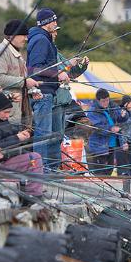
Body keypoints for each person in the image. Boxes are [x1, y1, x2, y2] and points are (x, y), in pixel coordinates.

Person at [0, 93, 44, 199]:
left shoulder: (1, 120)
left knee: (33, 157)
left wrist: (23, 133)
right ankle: (34, 196)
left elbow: (9, 133)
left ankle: (30, 193)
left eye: (9, 112)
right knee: (34, 158)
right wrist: (17, 138)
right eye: (5, 112)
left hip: (4, 162)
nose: (7, 115)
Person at [27, 8, 70, 165]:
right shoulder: (41, 40)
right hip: (43, 93)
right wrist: (57, 74)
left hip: (47, 92)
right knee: (43, 134)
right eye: (54, 21)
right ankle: (40, 170)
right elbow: (35, 68)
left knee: (47, 134)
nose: (56, 24)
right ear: (47, 23)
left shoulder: (43, 39)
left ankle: (47, 169)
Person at [49, 27, 89, 169]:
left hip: (63, 101)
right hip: (53, 101)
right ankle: (51, 168)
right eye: (54, 31)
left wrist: (81, 66)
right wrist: (68, 64)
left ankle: (55, 168)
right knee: (52, 138)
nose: (56, 33)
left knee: (58, 137)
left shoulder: (57, 53)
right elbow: (54, 71)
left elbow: (70, 73)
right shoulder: (45, 53)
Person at [0, 19, 40, 126]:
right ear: (12, 36)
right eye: (23, 35)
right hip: (7, 116)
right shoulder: (0, 52)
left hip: (19, 113)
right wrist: (24, 82)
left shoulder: (15, 53)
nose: (26, 39)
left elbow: (19, 81)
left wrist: (31, 92)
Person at [86, 89, 121, 175]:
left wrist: (124, 114)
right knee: (100, 173)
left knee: (109, 171)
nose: (106, 103)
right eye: (103, 101)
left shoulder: (110, 108)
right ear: (98, 100)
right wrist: (111, 129)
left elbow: (121, 117)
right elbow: (96, 128)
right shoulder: (92, 111)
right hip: (99, 147)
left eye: (107, 100)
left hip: (111, 145)